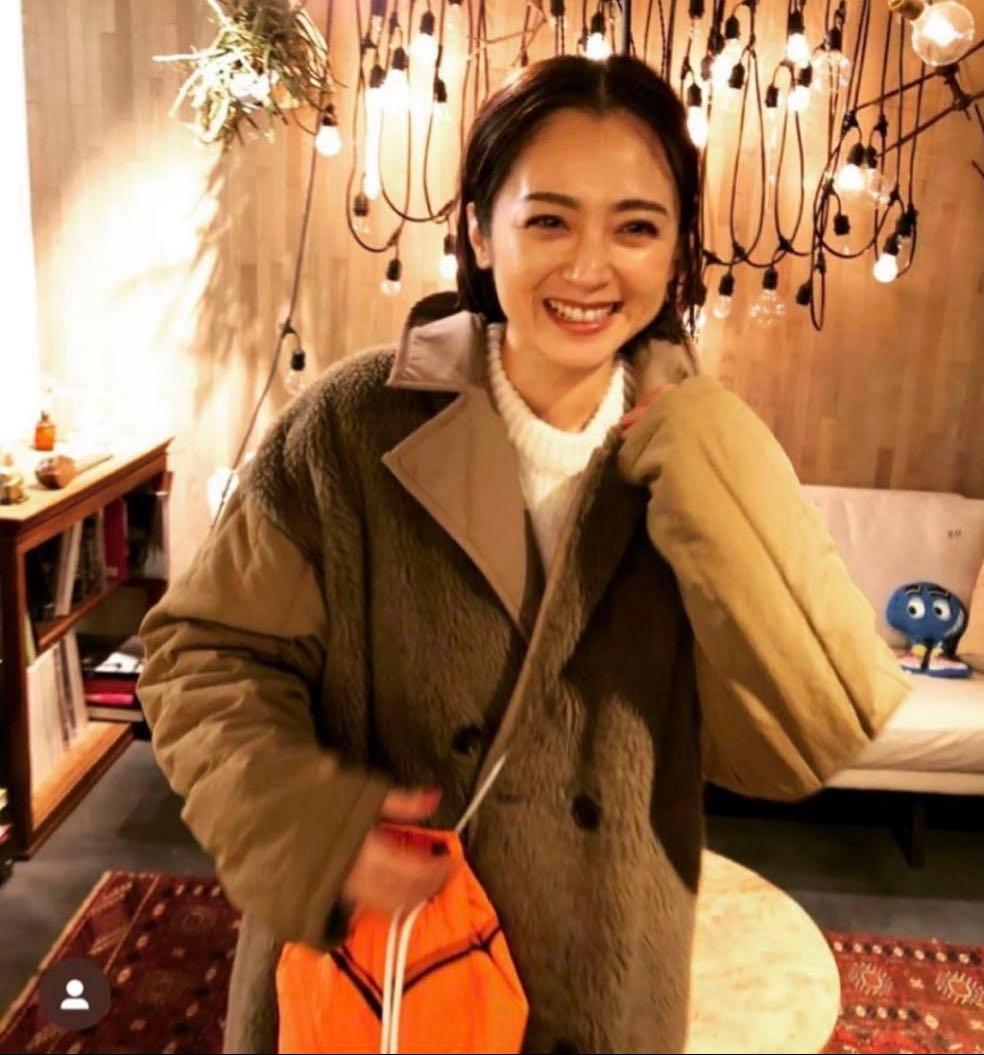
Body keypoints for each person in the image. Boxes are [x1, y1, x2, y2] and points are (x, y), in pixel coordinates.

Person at [138, 54, 911, 1054]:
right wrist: (307, 823)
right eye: (548, 220)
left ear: (678, 248)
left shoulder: (704, 454)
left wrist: (720, 471)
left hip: (598, 981)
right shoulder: (351, 424)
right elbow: (204, 655)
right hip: (384, 974)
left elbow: (799, 742)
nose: (589, 268)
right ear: (478, 229)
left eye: (636, 227)